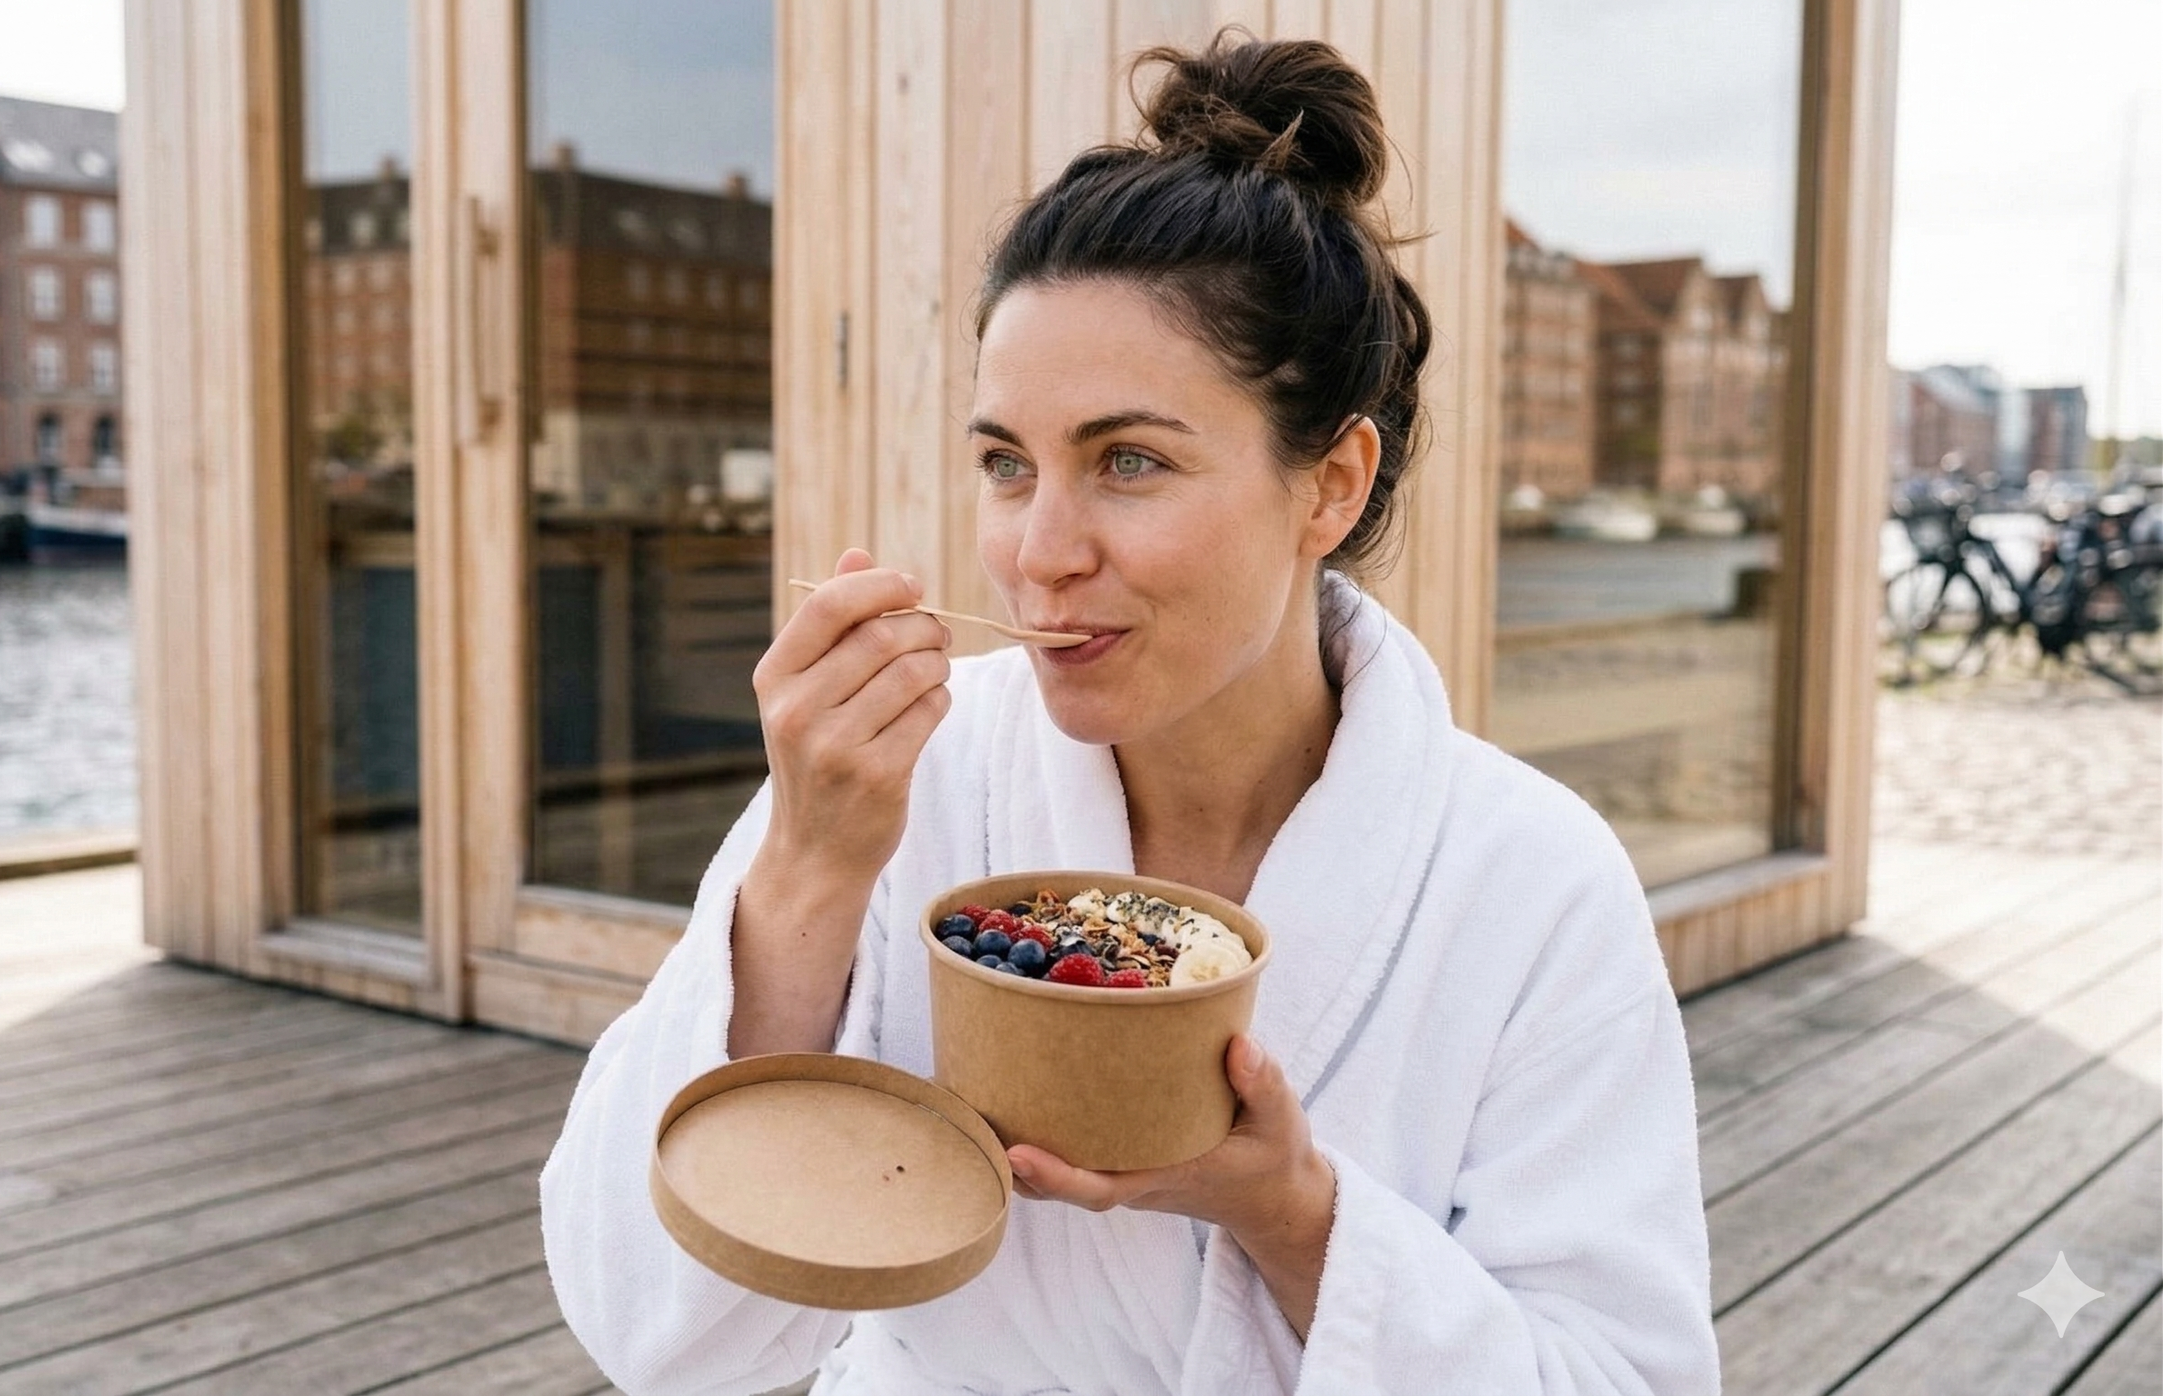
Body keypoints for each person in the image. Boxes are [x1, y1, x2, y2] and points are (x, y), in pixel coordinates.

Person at [542, 30, 1718, 1395]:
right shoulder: (901, 787)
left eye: (1131, 462)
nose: (1040, 552)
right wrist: (807, 870)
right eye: (1006, 464)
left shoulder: (1528, 878)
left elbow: (1625, 1375)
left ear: (1330, 485)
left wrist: (1294, 1215)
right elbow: (659, 1328)